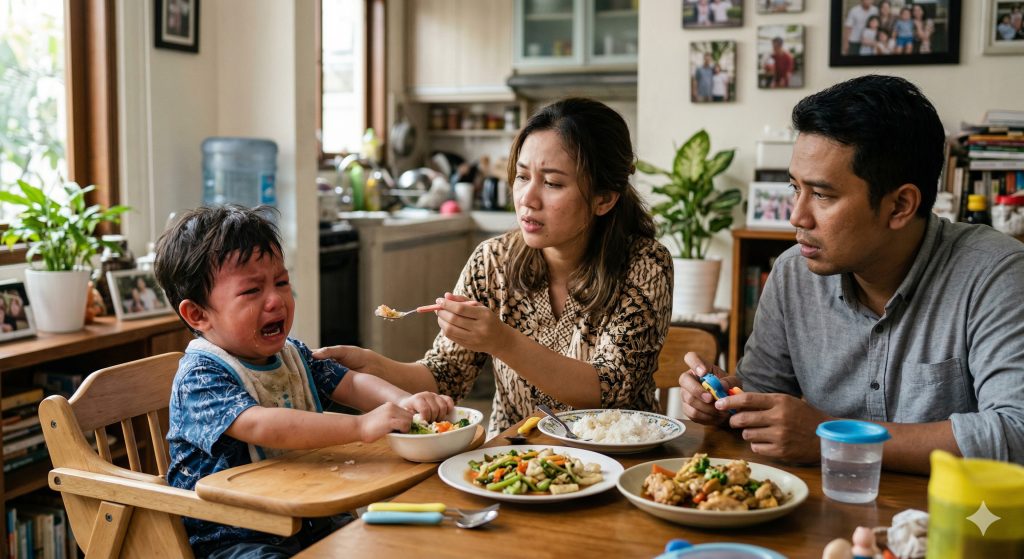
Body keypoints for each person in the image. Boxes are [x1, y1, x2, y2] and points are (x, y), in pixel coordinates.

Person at [677, 75, 1024, 473]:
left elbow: (1015, 432)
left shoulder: (996, 274)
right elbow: (762, 398)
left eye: (822, 195)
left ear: (900, 206)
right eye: (795, 188)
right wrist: (724, 402)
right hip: (815, 518)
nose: (796, 216)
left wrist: (831, 437)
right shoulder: (793, 273)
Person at [315, 98, 673, 438]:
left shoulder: (643, 266)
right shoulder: (493, 261)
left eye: (552, 183)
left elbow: (611, 390)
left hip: (622, 462)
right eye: (522, 176)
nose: (527, 199)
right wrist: (374, 366)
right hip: (517, 461)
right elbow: (446, 376)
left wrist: (501, 341)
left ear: (604, 198)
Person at [154, 205, 454, 558]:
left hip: (310, 515)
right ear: (198, 314)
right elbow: (262, 425)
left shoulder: (292, 355)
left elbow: (352, 383)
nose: (276, 300)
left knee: (386, 546)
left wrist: (403, 401)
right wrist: (360, 426)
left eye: (281, 282)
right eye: (252, 291)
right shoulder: (201, 377)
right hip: (234, 535)